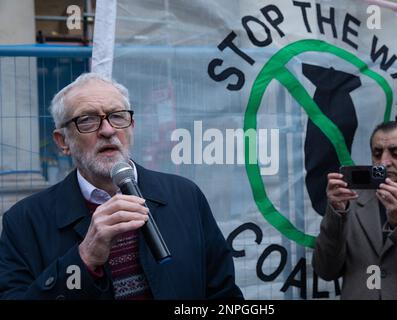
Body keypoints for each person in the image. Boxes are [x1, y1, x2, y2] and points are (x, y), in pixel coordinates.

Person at [0, 73, 243, 300]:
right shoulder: (23, 222)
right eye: (87, 120)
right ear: (63, 141)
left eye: (117, 116)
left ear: (132, 126)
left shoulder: (185, 196)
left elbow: (223, 293)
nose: (108, 130)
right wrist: (83, 258)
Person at [313, 121, 397, 299]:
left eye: (396, 153)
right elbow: (325, 270)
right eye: (377, 154)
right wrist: (336, 215)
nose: (384, 162)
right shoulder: (350, 202)